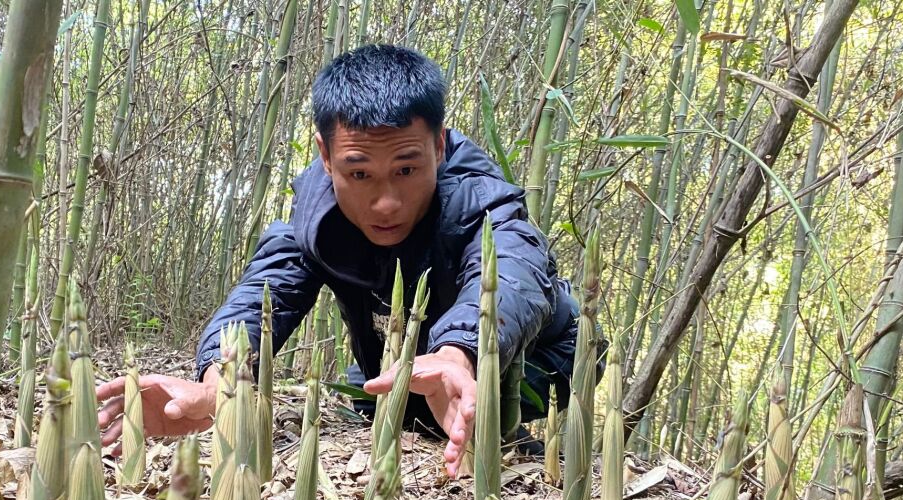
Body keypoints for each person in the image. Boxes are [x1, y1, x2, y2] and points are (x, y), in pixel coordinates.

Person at [97, 44, 585, 477]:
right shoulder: (317, 215)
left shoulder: (480, 199)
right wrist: (219, 384)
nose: (386, 202)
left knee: (466, 420)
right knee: (377, 401)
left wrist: (459, 353)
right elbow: (267, 290)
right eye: (360, 174)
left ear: (438, 146)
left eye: (407, 169)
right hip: (399, 362)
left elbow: (515, 274)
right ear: (326, 157)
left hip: (538, 351)